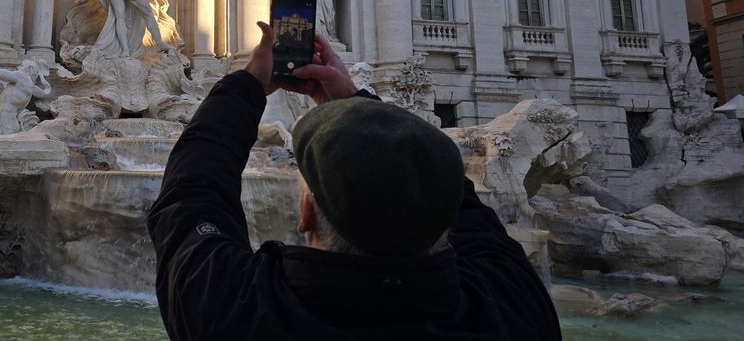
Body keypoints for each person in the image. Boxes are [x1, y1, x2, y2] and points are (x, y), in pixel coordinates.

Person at [147, 21, 562, 340]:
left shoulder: (235, 314)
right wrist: (356, 103)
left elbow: (192, 194)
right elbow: (446, 190)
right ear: (442, 202)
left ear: (305, 213)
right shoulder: (515, 311)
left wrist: (246, 86)